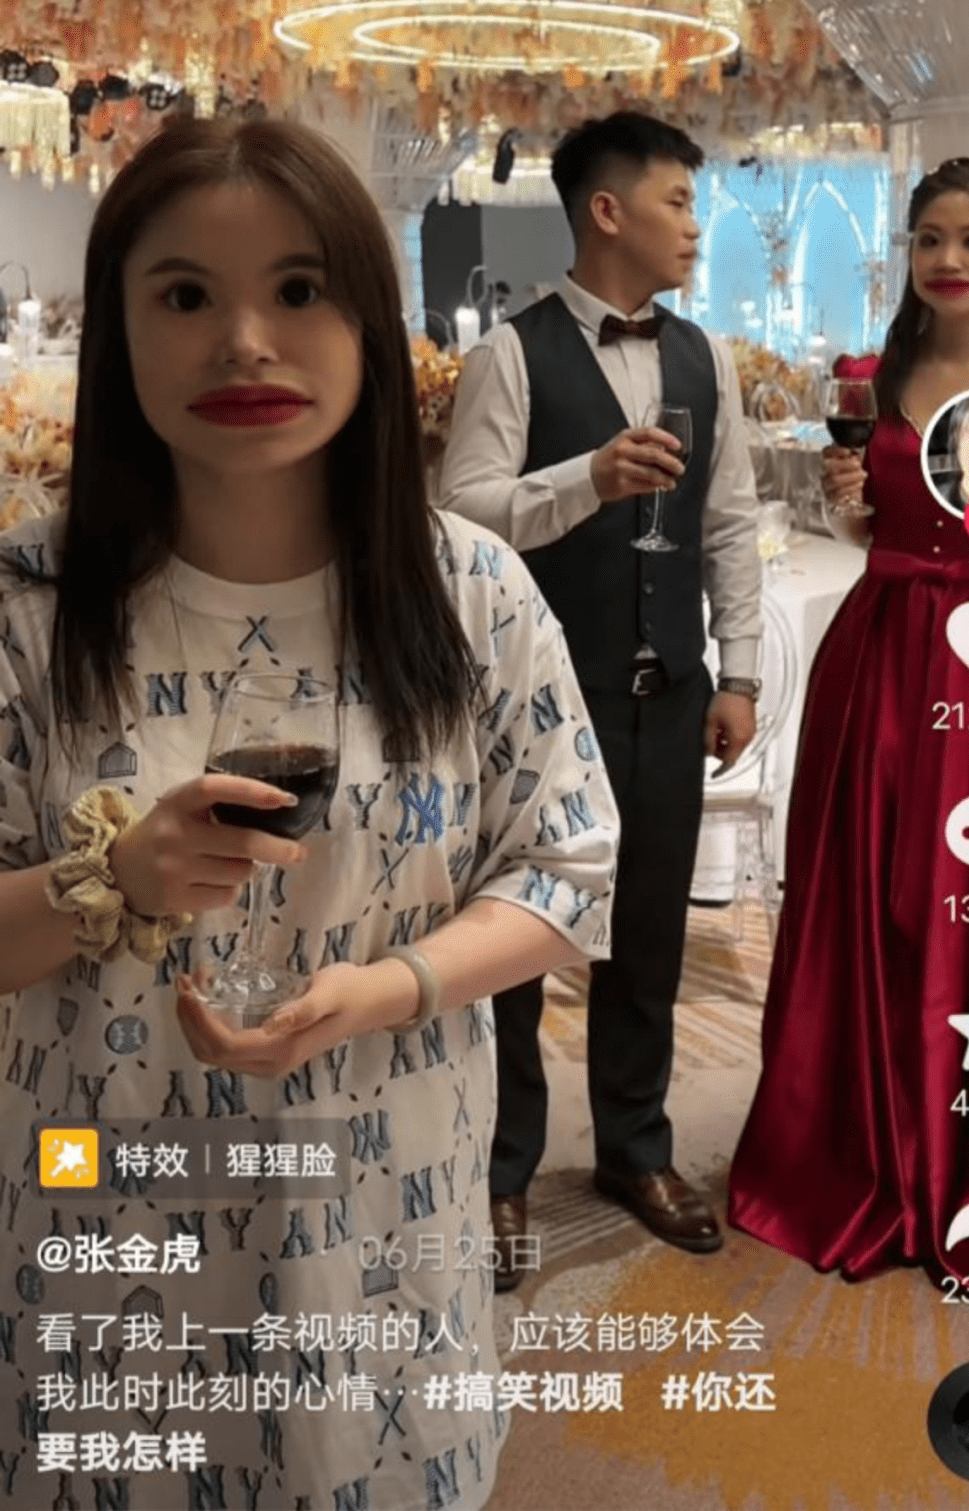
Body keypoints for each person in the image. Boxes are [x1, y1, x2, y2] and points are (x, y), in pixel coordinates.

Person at [0, 116, 618, 1510]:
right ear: (117, 326)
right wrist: (115, 880)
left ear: (368, 322)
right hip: (109, 1193)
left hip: (381, 1193)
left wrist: (387, 988)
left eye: (298, 290)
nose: (244, 343)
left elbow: (570, 861)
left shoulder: (468, 592)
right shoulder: (27, 608)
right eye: (184, 296)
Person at [727, 156, 969, 1360]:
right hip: (878, 653)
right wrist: (847, 504)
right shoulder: (877, 376)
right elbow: (869, 522)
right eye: (930, 238)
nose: (948, 259)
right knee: (871, 900)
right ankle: (874, 1148)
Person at [439, 109, 762, 1282]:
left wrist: (740, 669)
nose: (694, 226)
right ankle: (499, 1170)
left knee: (650, 937)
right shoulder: (510, 353)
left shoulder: (708, 357)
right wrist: (587, 476)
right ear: (608, 210)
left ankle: (636, 1147)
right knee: (512, 947)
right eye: (678, 202)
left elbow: (730, 521)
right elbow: (461, 512)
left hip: (666, 691)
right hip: (536, 701)